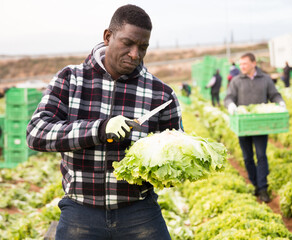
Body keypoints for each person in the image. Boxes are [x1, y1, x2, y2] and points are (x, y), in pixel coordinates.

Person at [26, 5, 182, 240]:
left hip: (139, 211)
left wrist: (169, 163)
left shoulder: (161, 94)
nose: (134, 54)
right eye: (127, 43)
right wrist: (99, 129)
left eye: (143, 47)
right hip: (80, 211)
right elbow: (36, 133)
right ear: (108, 36)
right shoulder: (70, 79)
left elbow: (175, 149)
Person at [224, 53, 285, 203]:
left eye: (245, 63)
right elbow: (229, 97)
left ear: (253, 63)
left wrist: (280, 102)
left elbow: (274, 95)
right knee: (247, 157)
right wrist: (230, 105)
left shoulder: (265, 79)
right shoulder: (237, 81)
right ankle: (255, 184)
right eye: (241, 64)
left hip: (260, 124)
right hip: (243, 124)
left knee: (261, 155)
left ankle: (263, 188)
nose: (242, 66)